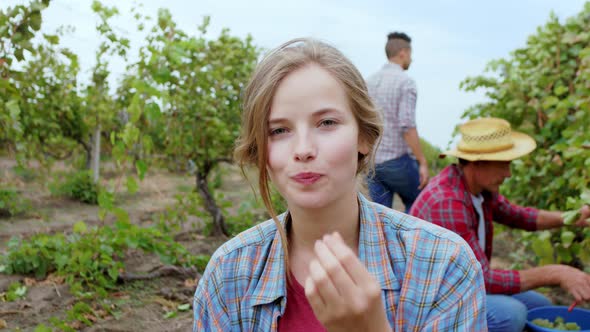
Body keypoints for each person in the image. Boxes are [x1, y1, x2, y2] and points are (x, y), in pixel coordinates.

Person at [193, 37, 486, 331]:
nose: (303, 149)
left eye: (327, 123)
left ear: (364, 137)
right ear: (260, 151)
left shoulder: (443, 266)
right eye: (279, 130)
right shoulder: (228, 275)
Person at [410, 117, 590, 332]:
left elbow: (519, 216)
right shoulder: (448, 202)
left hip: (462, 283)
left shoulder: (478, 189)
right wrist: (557, 273)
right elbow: (481, 279)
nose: (508, 173)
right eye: (503, 164)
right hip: (433, 298)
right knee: (510, 314)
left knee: (540, 305)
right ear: (478, 163)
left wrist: (570, 217)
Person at [366, 32, 429, 213]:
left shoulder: (368, 82)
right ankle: (409, 241)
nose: (411, 59)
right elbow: (406, 125)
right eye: (410, 54)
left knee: (379, 218)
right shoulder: (406, 82)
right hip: (397, 161)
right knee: (420, 203)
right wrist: (422, 162)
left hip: (372, 163)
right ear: (403, 53)